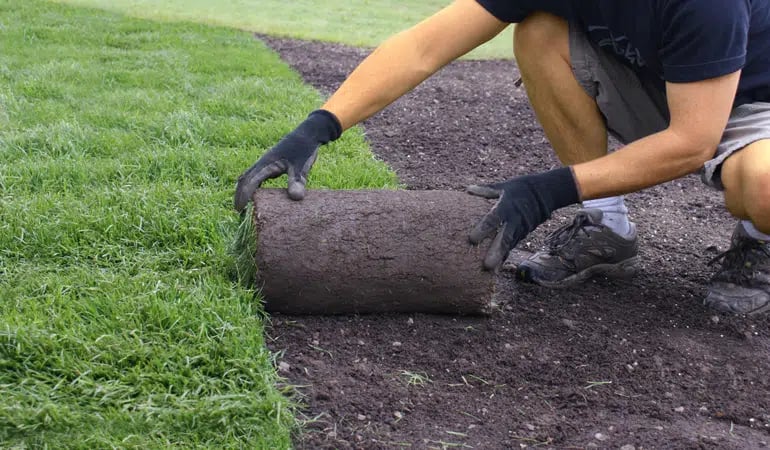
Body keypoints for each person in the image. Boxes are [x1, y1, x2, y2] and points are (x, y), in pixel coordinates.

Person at [234, 0, 770, 315]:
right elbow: (426, 45)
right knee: (538, 32)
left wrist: (546, 191)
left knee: (760, 185)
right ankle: (607, 225)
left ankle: (758, 244)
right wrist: (317, 127)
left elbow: (692, 141)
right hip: (661, 83)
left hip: (752, 106)